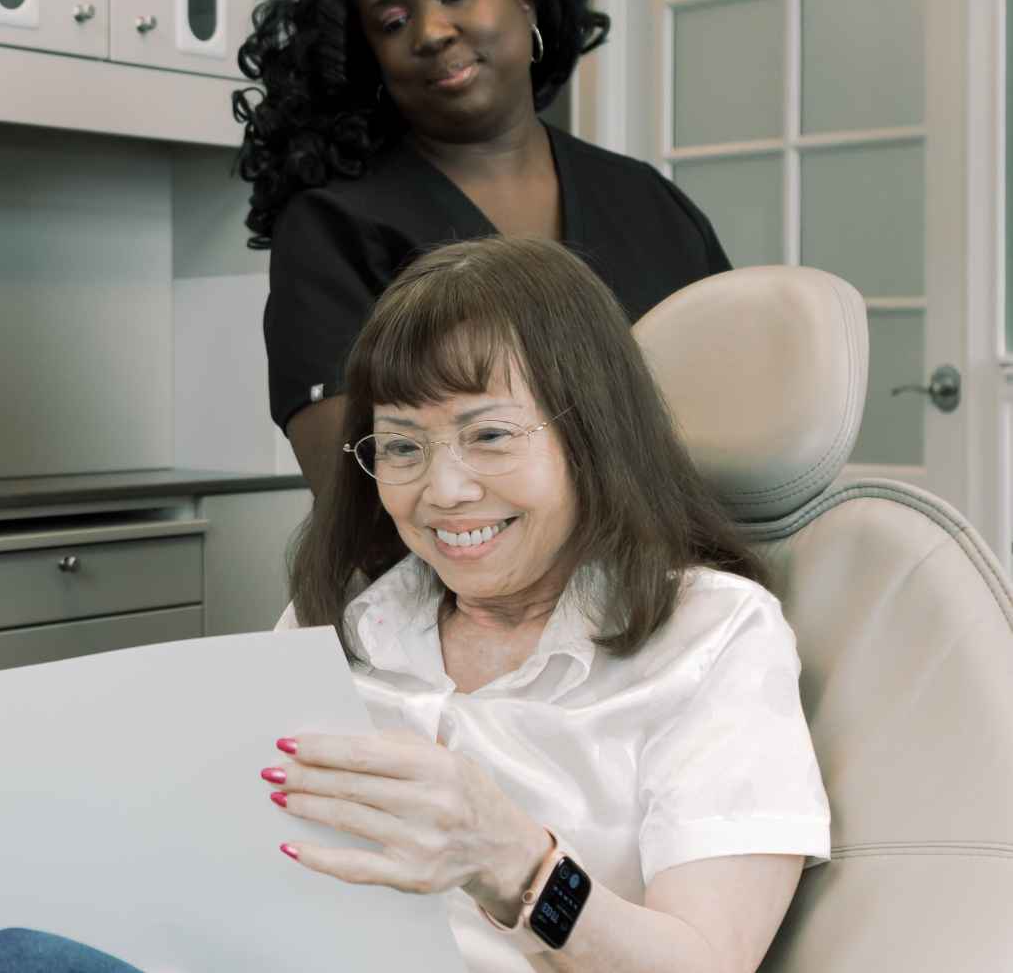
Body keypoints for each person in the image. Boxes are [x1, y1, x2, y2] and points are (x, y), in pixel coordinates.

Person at [263, 236, 828, 971]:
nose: (444, 492)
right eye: (402, 448)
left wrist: (519, 866)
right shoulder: (339, 619)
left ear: (590, 436)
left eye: (490, 436)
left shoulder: (713, 637)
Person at [235, 0, 732, 499]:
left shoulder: (650, 203)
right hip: (462, 595)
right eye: (392, 22)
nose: (433, 31)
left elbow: (745, 421)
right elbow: (364, 504)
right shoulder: (337, 228)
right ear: (371, 59)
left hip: (683, 583)